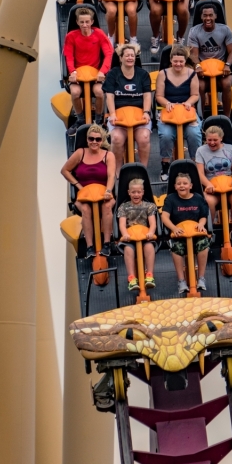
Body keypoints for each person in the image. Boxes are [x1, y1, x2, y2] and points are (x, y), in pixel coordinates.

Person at [60, 125, 116, 258]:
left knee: (107, 206)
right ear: (87, 139)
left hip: (103, 193)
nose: (94, 142)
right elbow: (65, 170)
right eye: (91, 139)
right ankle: (90, 246)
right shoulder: (80, 153)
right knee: (85, 209)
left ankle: (107, 244)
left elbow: (111, 176)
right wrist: (78, 185)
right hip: (84, 194)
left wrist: (108, 191)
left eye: (98, 139)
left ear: (102, 141)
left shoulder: (108, 155)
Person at [63, 6, 114, 133]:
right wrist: (72, 72)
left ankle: (98, 120)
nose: (84, 25)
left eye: (87, 22)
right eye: (81, 22)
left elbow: (109, 53)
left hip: (95, 73)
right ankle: (80, 119)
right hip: (78, 73)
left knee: (99, 92)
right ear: (77, 23)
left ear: (92, 22)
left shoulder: (99, 34)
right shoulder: (71, 36)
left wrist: (103, 71)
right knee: (75, 93)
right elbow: (68, 56)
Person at [103, 42, 152, 170]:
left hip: (138, 115)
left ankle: (143, 169)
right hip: (119, 115)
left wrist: (146, 112)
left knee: (144, 138)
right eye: (127, 55)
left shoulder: (143, 74)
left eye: (132, 55)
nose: (130, 58)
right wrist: (112, 114)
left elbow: (147, 95)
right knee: (117, 138)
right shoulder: (113, 74)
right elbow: (110, 96)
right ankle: (118, 172)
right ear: (121, 58)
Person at [155, 44, 202, 179]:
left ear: (185, 61)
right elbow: (159, 96)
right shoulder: (162, 74)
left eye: (181, 61)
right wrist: (167, 103)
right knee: (166, 135)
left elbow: (195, 95)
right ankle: (165, 165)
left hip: (186, 109)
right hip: (169, 109)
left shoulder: (191, 74)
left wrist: (188, 102)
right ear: (171, 60)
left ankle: (195, 163)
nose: (178, 64)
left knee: (194, 133)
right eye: (175, 61)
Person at [160, 170, 210, 293]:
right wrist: (174, 228)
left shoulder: (198, 198)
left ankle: (201, 278)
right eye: (179, 184)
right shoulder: (171, 199)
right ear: (175, 186)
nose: (182, 186)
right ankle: (181, 281)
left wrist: (201, 224)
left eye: (185, 183)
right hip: (179, 234)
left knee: (203, 244)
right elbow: (164, 217)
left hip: (196, 233)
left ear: (190, 186)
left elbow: (204, 216)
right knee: (176, 249)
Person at [195, 124, 232, 251]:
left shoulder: (230, 149)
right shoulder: (201, 151)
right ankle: (209, 233)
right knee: (208, 202)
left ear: (221, 138)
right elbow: (199, 173)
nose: (211, 142)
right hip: (213, 185)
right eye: (209, 140)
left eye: (215, 140)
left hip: (228, 184)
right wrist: (208, 184)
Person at [187, 3, 232, 116]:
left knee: (227, 83)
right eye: (205, 15)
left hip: (221, 69)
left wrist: (228, 64)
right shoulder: (194, 31)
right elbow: (193, 54)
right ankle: (201, 118)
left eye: (210, 15)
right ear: (201, 17)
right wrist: (197, 66)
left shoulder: (225, 30)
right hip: (203, 71)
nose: (207, 18)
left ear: (215, 16)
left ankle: (227, 117)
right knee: (199, 86)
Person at [117, 178, 157, 293]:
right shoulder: (123, 207)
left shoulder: (149, 206)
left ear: (143, 192)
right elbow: (122, 224)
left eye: (138, 192)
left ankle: (149, 275)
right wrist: (125, 234)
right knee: (128, 249)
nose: (136, 194)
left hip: (145, 237)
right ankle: (132, 279)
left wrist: (151, 232)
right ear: (129, 192)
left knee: (149, 247)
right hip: (130, 238)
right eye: (133, 192)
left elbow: (153, 223)